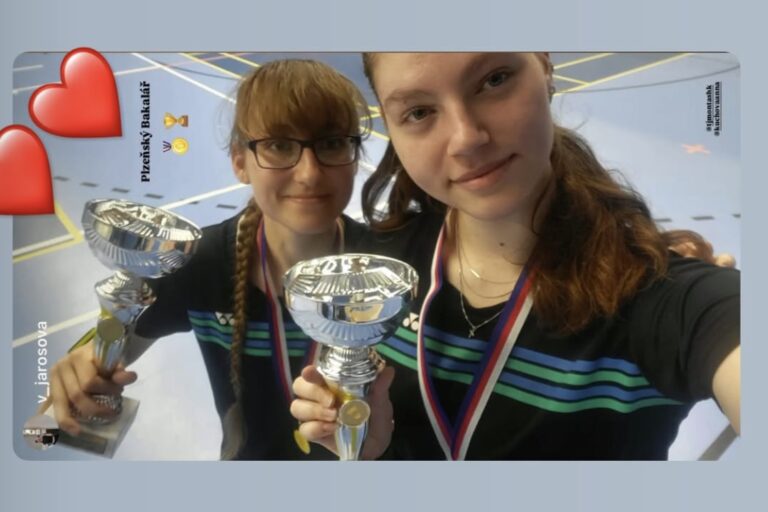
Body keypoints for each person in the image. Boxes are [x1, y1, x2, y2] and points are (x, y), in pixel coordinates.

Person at [290, 52, 740, 460]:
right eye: (420, 112)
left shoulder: (666, 300)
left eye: (495, 79)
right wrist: (365, 450)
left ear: (544, 66)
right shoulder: (376, 276)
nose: (466, 139)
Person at [41, 59, 375, 460]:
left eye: (332, 143)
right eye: (279, 145)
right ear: (240, 161)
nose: (309, 174)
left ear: (355, 155)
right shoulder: (197, 264)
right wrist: (81, 366)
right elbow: (111, 341)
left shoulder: (390, 273)